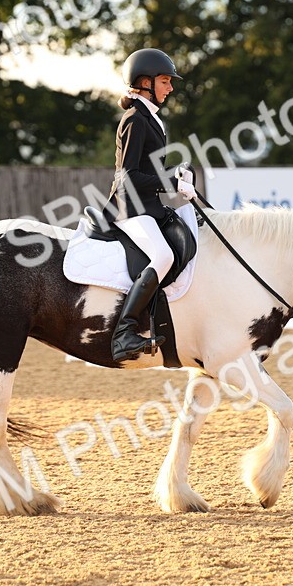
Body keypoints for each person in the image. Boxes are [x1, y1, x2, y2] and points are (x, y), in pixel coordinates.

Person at [103, 48, 197, 362]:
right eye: (165, 81)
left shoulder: (149, 118)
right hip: (129, 207)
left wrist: (178, 175)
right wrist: (171, 180)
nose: (170, 88)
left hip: (148, 205)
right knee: (162, 254)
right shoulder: (135, 119)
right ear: (145, 82)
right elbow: (128, 175)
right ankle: (124, 332)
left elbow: (150, 171)